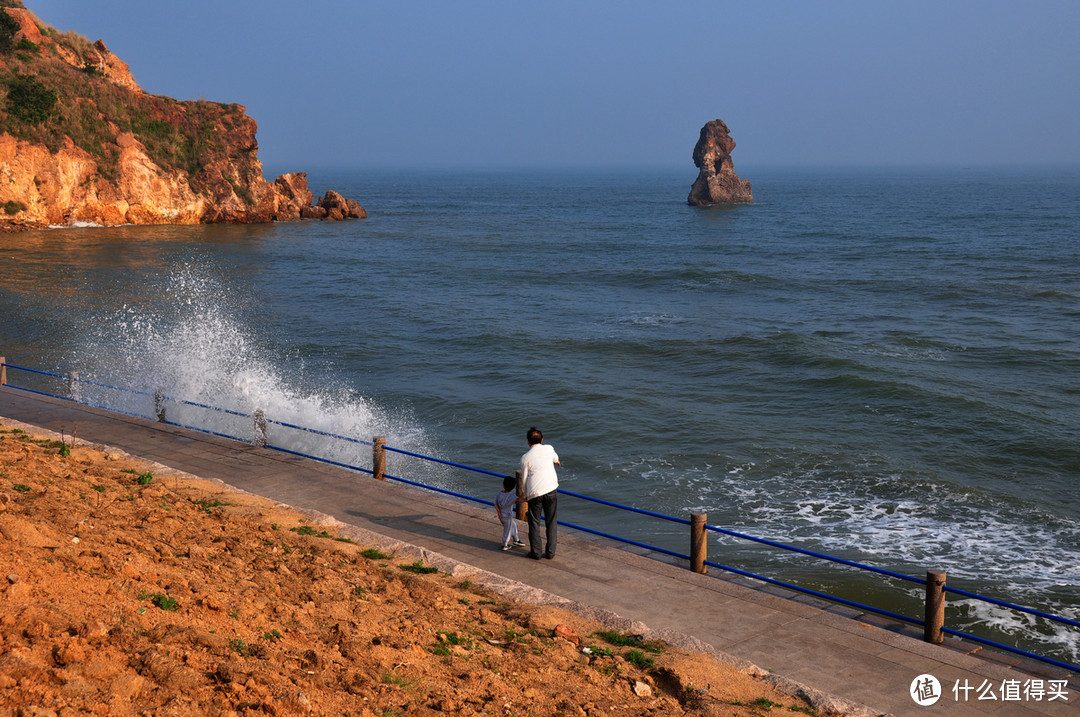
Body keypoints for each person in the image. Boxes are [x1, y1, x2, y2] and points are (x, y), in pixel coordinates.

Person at [519, 426, 560, 560]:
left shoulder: (525, 458)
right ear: (542, 439)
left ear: (528, 442)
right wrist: (557, 461)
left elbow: (524, 478)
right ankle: (550, 552)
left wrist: (525, 494)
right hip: (551, 489)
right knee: (551, 522)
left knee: (534, 523)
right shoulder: (548, 448)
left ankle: (536, 552)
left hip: (535, 493)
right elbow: (555, 458)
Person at [494, 475, 526, 550]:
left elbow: (495, 503)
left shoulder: (499, 494)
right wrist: (527, 499)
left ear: (503, 485)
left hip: (501, 516)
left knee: (513, 525)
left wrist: (498, 512)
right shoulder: (512, 496)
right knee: (507, 530)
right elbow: (519, 500)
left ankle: (516, 539)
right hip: (507, 516)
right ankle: (504, 544)